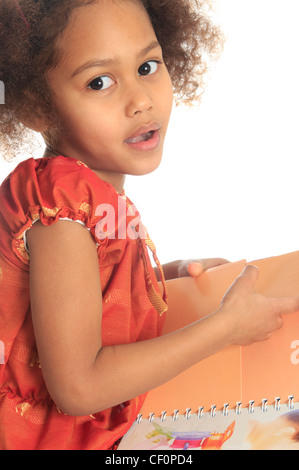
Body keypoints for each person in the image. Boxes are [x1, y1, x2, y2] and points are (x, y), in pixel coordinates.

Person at [0, 0, 298, 450]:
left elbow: (83, 296)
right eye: (99, 82)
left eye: (147, 65)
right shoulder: (62, 212)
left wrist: (165, 277)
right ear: (38, 109)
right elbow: (78, 388)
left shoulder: (91, 194)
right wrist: (224, 327)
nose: (141, 100)